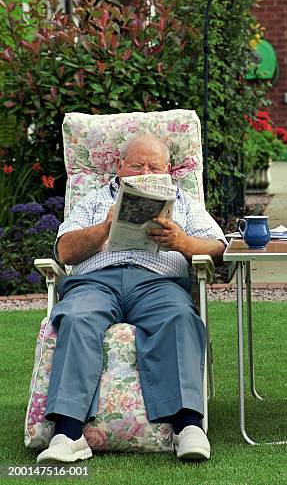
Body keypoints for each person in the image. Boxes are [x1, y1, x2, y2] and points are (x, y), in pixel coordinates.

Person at [37, 133, 226, 463]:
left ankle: (188, 427)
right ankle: (68, 434)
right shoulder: (94, 199)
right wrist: (104, 229)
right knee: (77, 317)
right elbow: (65, 250)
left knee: (179, 317)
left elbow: (218, 246)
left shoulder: (182, 201)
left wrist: (183, 242)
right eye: (137, 165)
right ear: (120, 168)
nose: (145, 172)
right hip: (96, 282)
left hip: (158, 282)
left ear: (167, 170)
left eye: (154, 166)